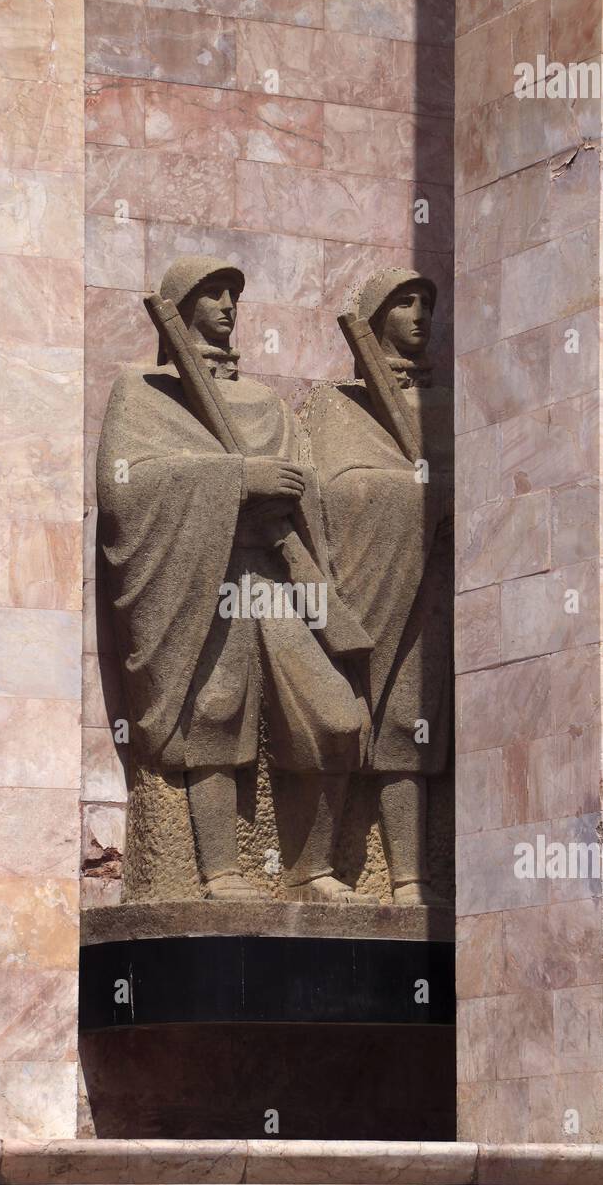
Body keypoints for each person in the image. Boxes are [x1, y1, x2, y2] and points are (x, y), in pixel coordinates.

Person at [96, 255, 370, 902]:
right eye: (212, 293)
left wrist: (290, 494)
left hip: (276, 570)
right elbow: (122, 489)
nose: (227, 305)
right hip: (203, 574)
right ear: (180, 305)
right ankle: (218, 870)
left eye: (233, 295)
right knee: (214, 711)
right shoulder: (144, 394)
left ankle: (312, 868)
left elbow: (312, 494)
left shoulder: (265, 403)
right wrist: (235, 482)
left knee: (336, 715)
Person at [302, 268, 453, 905]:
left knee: (408, 723)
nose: (420, 316)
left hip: (429, 591)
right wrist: (409, 493)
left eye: (427, 305)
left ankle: (409, 878)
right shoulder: (334, 405)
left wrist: (444, 494)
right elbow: (325, 492)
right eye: (404, 303)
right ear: (375, 314)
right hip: (361, 583)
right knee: (343, 718)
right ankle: (311, 866)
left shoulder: (449, 404)